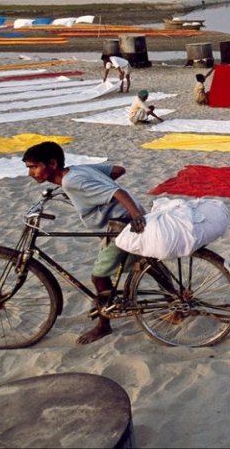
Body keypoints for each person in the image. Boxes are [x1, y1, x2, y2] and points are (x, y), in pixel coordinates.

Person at [22, 141, 147, 345]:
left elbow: (118, 193)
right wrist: (93, 191)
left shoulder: (73, 181)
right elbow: (118, 170)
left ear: (52, 164)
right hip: (120, 220)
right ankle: (177, 304)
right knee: (142, 263)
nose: (31, 173)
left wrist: (136, 215)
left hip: (121, 226)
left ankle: (104, 326)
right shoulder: (76, 173)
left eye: (33, 167)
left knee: (99, 277)